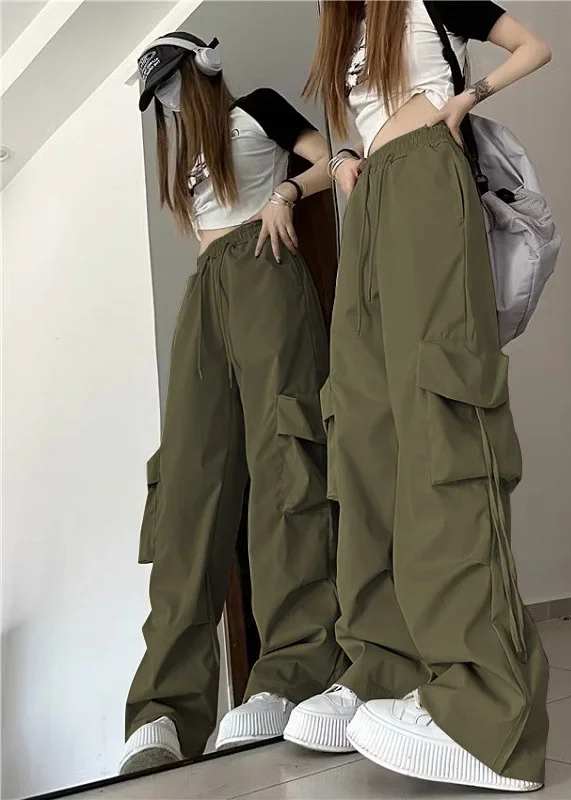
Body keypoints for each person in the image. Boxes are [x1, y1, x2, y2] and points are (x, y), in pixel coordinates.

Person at [283, 1, 552, 792]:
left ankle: (488, 716)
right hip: (369, 198)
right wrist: (342, 160)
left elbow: (534, 47)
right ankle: (382, 667)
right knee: (364, 430)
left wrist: (466, 100)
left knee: (443, 420)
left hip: (431, 173)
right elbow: (352, 119)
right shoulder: (340, 23)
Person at [120, 31, 345, 775]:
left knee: (285, 464)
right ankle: (164, 707)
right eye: (158, 97)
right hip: (206, 291)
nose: (170, 102)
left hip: (264, 266)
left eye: (174, 82)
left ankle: (292, 670)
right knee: (188, 482)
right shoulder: (183, 152)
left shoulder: (259, 109)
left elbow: (332, 159)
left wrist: (285, 194)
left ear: (204, 66)